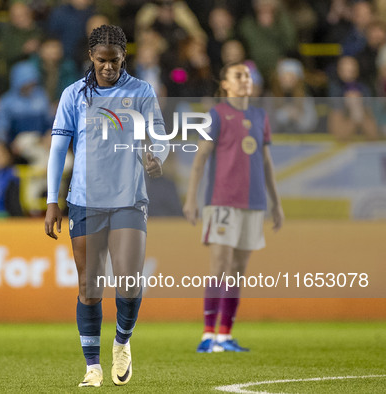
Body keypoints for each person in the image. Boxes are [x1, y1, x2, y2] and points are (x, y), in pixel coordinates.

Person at [44, 25, 168, 387]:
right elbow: (57, 149)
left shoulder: (142, 92)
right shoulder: (74, 95)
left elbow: (160, 136)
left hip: (129, 198)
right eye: (102, 61)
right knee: (90, 285)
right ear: (91, 58)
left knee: (129, 282)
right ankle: (92, 367)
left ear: (124, 58)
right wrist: (52, 199)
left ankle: (123, 343)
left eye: (114, 61)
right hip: (84, 200)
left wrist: (157, 157)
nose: (108, 68)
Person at [183, 62, 284, 353]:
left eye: (247, 76)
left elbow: (265, 162)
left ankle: (225, 336)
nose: (245, 80)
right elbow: (201, 158)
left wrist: (276, 203)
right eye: (238, 76)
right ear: (225, 84)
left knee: (238, 270)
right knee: (220, 266)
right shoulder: (216, 115)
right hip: (222, 202)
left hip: (253, 203)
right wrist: (192, 198)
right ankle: (207, 335)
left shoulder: (260, 116)